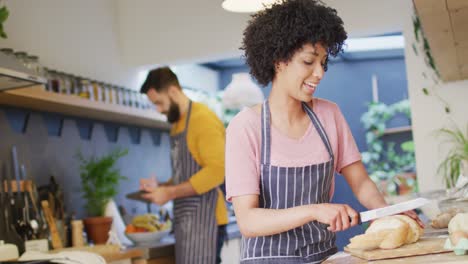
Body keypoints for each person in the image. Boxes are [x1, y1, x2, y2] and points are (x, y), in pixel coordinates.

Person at [225, 1, 422, 263]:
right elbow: (248, 220)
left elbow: (361, 183)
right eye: (308, 61)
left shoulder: (330, 116)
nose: (319, 73)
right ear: (278, 60)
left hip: (324, 257)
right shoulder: (246, 127)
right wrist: (315, 210)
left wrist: (387, 212)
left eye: (323, 62)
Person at [139, 67, 228, 264]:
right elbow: (185, 174)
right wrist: (161, 187)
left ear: (172, 91)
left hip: (208, 222)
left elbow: (217, 171)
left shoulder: (202, 119)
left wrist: (169, 193)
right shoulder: (177, 125)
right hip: (188, 223)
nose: (159, 109)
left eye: (159, 103)